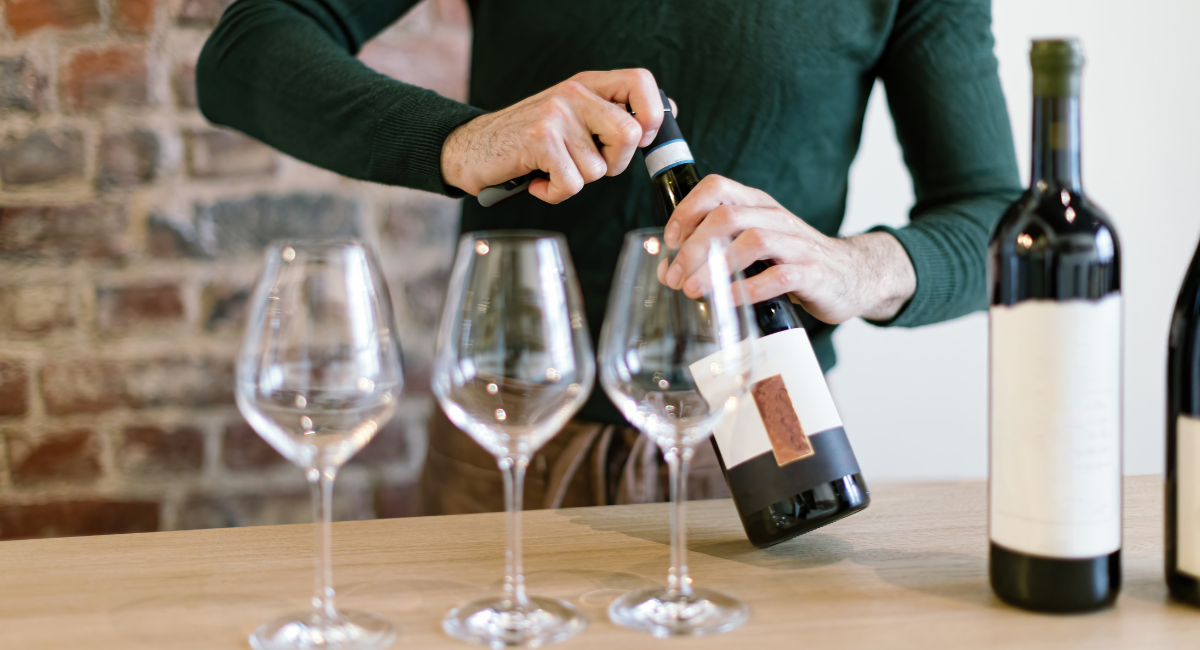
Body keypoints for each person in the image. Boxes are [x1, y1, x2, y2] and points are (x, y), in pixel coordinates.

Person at [197, 0, 1021, 514]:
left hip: (760, 440)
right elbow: (247, 48)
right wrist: (457, 141)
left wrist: (856, 267)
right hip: (507, 424)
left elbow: (995, 219)